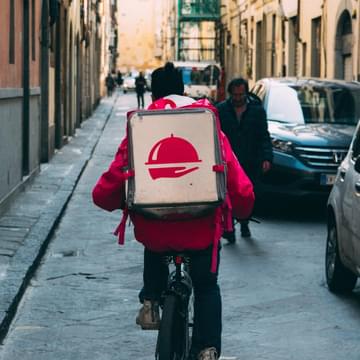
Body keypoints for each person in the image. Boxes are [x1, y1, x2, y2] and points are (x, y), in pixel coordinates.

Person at [92, 62, 254, 360]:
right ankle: (207, 347)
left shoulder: (142, 127)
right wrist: (243, 208)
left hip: (156, 231)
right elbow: (237, 180)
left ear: (154, 93)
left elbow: (111, 184)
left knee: (154, 239)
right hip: (201, 229)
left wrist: (112, 200)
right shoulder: (206, 123)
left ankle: (150, 301)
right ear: (182, 90)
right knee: (206, 286)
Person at [216, 77, 273, 242]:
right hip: (229, 161)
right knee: (229, 195)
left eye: (241, 94)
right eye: (235, 95)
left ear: (246, 93)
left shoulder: (257, 111)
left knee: (247, 195)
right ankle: (230, 228)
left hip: (251, 160)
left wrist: (266, 157)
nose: (238, 98)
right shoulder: (221, 110)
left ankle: (245, 222)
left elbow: (264, 136)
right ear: (230, 94)